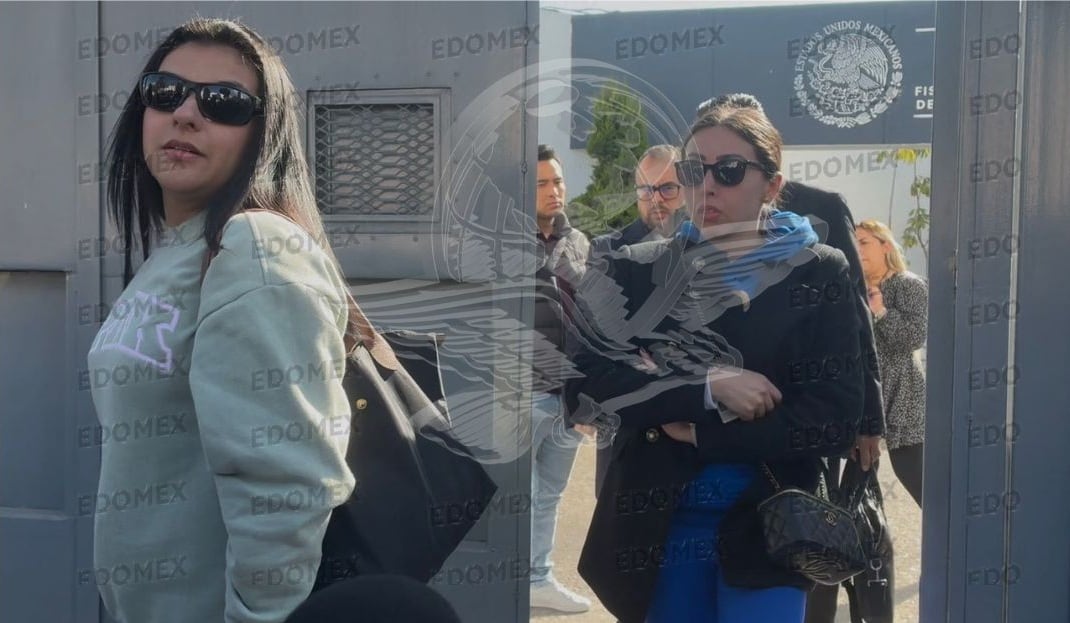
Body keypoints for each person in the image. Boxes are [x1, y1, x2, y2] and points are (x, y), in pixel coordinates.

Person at [87, 18, 355, 622]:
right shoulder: (179, 249)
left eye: (224, 103)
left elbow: (288, 487)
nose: (185, 114)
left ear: (264, 134)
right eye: (165, 92)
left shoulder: (255, 248)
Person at [565, 105, 865, 622]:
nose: (706, 186)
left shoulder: (818, 272)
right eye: (691, 170)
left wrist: (703, 433)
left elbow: (835, 419)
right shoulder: (639, 270)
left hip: (771, 522)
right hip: (657, 524)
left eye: (728, 170)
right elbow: (584, 386)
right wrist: (708, 384)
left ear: (772, 185)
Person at [699, 94, 890, 623]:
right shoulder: (693, 221)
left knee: (809, 521)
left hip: (799, 407)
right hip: (701, 461)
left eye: (731, 165)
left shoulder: (822, 206)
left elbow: (856, 314)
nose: (712, 177)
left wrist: (868, 419)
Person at [591, 144, 685, 497]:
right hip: (625, 427)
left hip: (693, 430)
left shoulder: (708, 249)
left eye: (667, 188)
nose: (655, 198)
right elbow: (599, 337)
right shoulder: (608, 251)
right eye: (646, 189)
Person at [528, 144, 592, 613]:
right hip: (521, 394)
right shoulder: (504, 243)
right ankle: (507, 580)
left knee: (549, 495)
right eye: (542, 183)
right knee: (519, 497)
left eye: (558, 180)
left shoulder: (579, 242)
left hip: (568, 398)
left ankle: (538, 578)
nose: (555, 191)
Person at [856, 220, 928, 507]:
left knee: (915, 476)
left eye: (864, 242)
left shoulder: (908, 284)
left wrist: (881, 311)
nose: (858, 249)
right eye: (855, 242)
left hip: (903, 397)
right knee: (859, 482)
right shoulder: (854, 288)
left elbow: (915, 337)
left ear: (885, 246)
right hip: (867, 397)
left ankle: (948, 533)